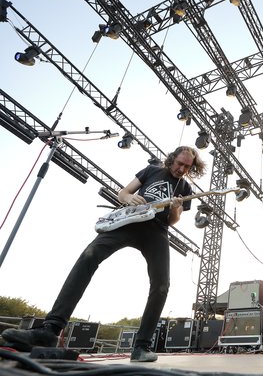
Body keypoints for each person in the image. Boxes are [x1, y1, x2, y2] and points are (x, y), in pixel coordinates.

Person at [2, 146, 206, 362]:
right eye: (179, 164)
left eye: (187, 166)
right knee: (89, 255)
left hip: (157, 231)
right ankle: (50, 330)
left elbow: (173, 221)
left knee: (162, 285)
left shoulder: (184, 187)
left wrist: (175, 208)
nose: (182, 169)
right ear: (171, 159)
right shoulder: (151, 170)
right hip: (129, 220)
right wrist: (129, 199)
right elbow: (124, 192)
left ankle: (141, 346)